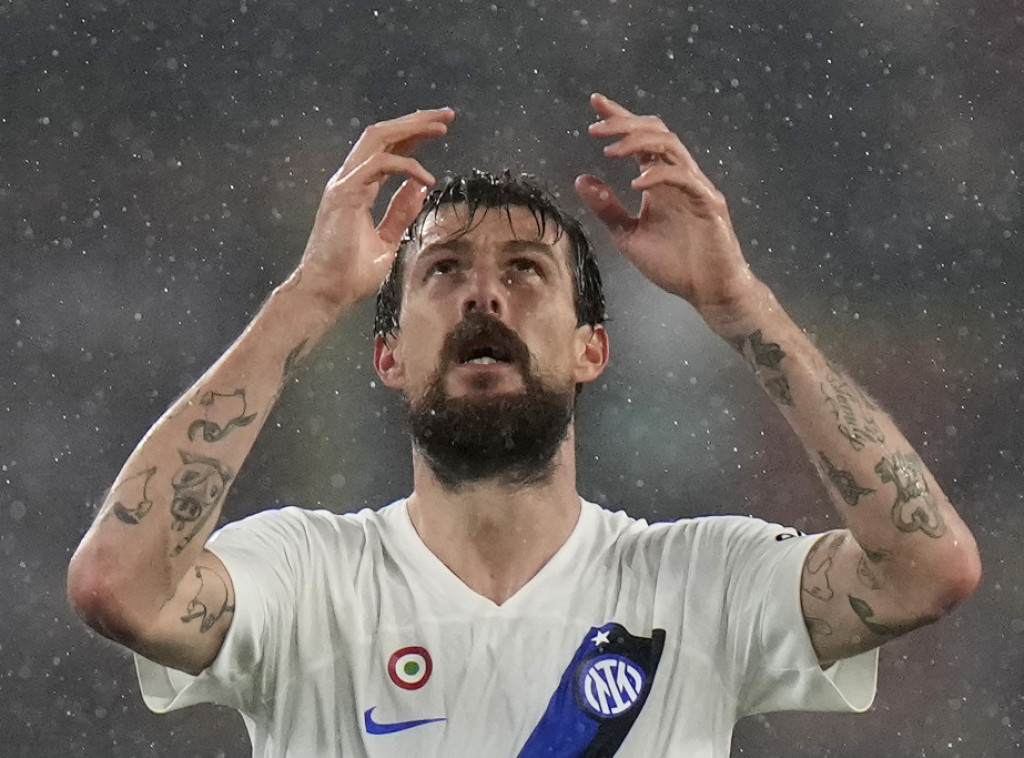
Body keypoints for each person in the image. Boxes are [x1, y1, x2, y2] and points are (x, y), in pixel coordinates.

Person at [68, 94, 981, 757]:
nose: (484, 294)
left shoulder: (698, 584)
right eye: (443, 270)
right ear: (387, 356)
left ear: (591, 349)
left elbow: (927, 567)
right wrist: (308, 298)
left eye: (526, 270)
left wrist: (739, 303)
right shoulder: (309, 578)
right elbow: (120, 587)